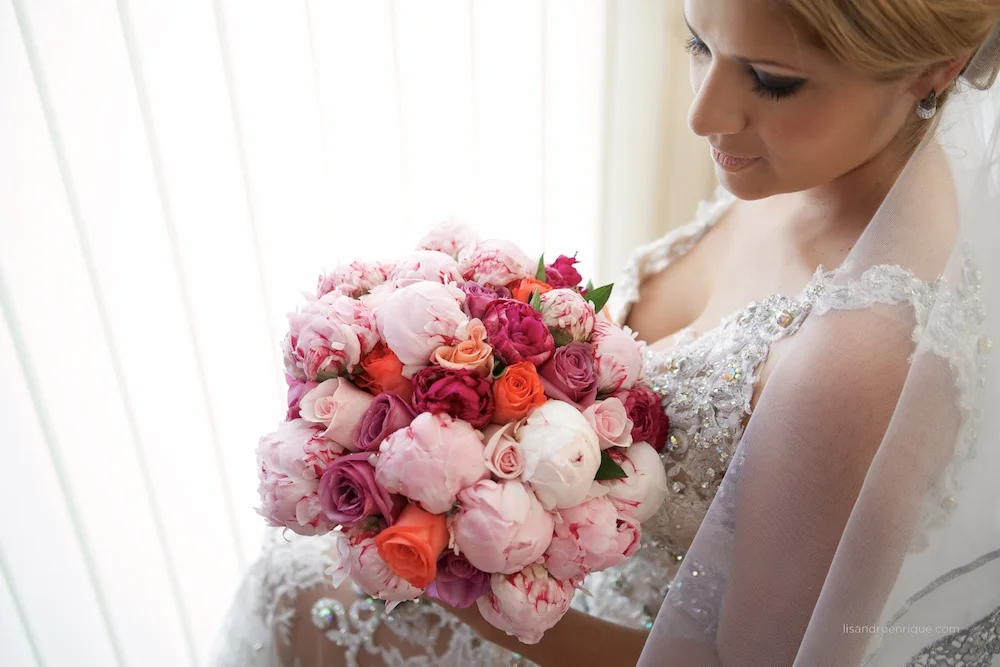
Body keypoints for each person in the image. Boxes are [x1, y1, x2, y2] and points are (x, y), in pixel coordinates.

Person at [210, 1, 1000, 665]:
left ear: (935, 67)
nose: (703, 115)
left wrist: (442, 569)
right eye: (700, 42)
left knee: (302, 601)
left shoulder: (858, 362)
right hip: (572, 577)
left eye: (770, 80)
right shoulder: (805, 163)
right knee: (291, 587)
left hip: (608, 637)